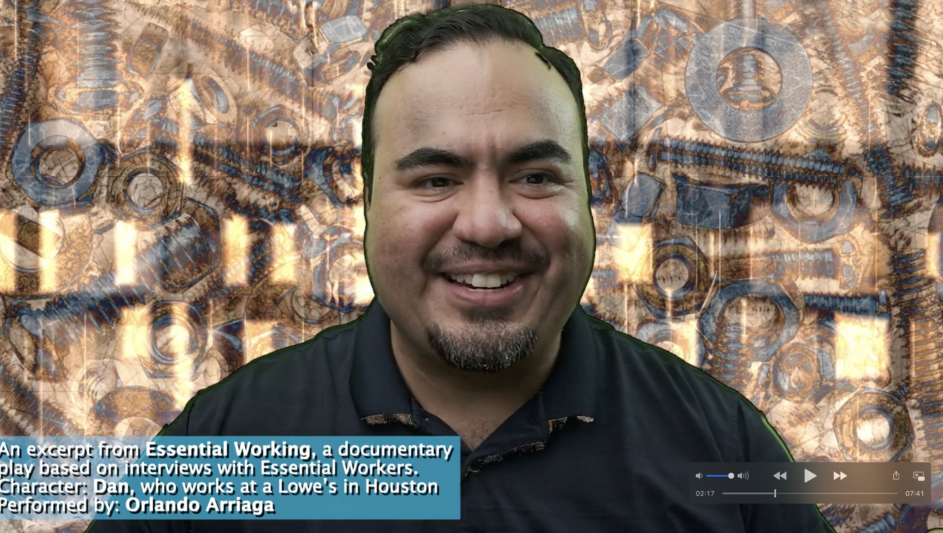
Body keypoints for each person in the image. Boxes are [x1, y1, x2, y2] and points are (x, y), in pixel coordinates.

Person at [86, 4, 837, 532]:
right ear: (366, 200)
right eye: (435, 177)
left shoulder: (727, 453)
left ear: (591, 197)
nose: (485, 223)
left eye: (536, 175)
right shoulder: (224, 445)